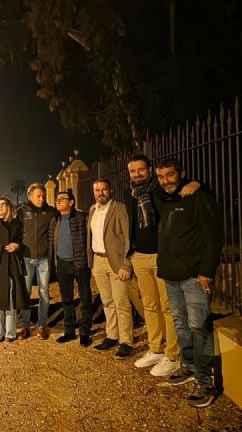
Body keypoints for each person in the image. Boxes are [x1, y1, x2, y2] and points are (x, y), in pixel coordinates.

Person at [156, 158, 223, 408]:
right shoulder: (167, 200)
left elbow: (213, 237)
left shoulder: (199, 197)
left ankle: (205, 382)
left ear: (181, 173)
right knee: (181, 325)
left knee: (199, 327)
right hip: (171, 275)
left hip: (195, 277)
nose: (165, 181)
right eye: (161, 177)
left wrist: (206, 271)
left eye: (170, 175)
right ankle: (189, 367)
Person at [127, 155, 182, 377]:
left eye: (141, 169)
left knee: (168, 307)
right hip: (140, 256)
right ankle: (156, 348)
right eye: (133, 171)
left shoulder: (160, 191)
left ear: (149, 169)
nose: (137, 174)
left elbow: (182, 189)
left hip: (161, 256)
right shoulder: (132, 193)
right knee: (149, 306)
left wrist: (197, 184)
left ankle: (172, 355)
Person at [87, 179, 134, 358]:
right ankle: (112, 335)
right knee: (107, 301)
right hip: (98, 261)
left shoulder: (119, 208)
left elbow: (128, 237)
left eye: (104, 189)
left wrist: (126, 264)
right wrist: (92, 264)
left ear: (111, 191)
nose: (100, 193)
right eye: (97, 190)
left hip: (117, 262)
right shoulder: (92, 210)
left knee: (121, 302)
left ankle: (126, 341)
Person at [48, 190, 93, 346]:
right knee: (66, 300)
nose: (58, 201)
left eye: (62, 199)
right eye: (57, 199)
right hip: (62, 263)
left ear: (71, 202)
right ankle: (69, 331)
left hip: (79, 263)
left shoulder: (82, 218)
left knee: (85, 298)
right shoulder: (55, 219)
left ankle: (85, 332)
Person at [0, 197, 29, 342]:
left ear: (9, 207)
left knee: (11, 297)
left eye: (4, 204)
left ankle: (10, 333)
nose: (1, 206)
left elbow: (22, 241)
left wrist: (17, 246)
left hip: (11, 264)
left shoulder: (16, 223)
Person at [17, 183, 56, 340]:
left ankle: (41, 325)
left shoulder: (51, 212)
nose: (41, 199)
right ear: (30, 197)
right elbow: (9, 223)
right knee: (25, 292)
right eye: (38, 196)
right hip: (26, 258)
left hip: (44, 259)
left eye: (43, 196)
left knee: (44, 292)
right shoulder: (21, 212)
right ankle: (25, 325)